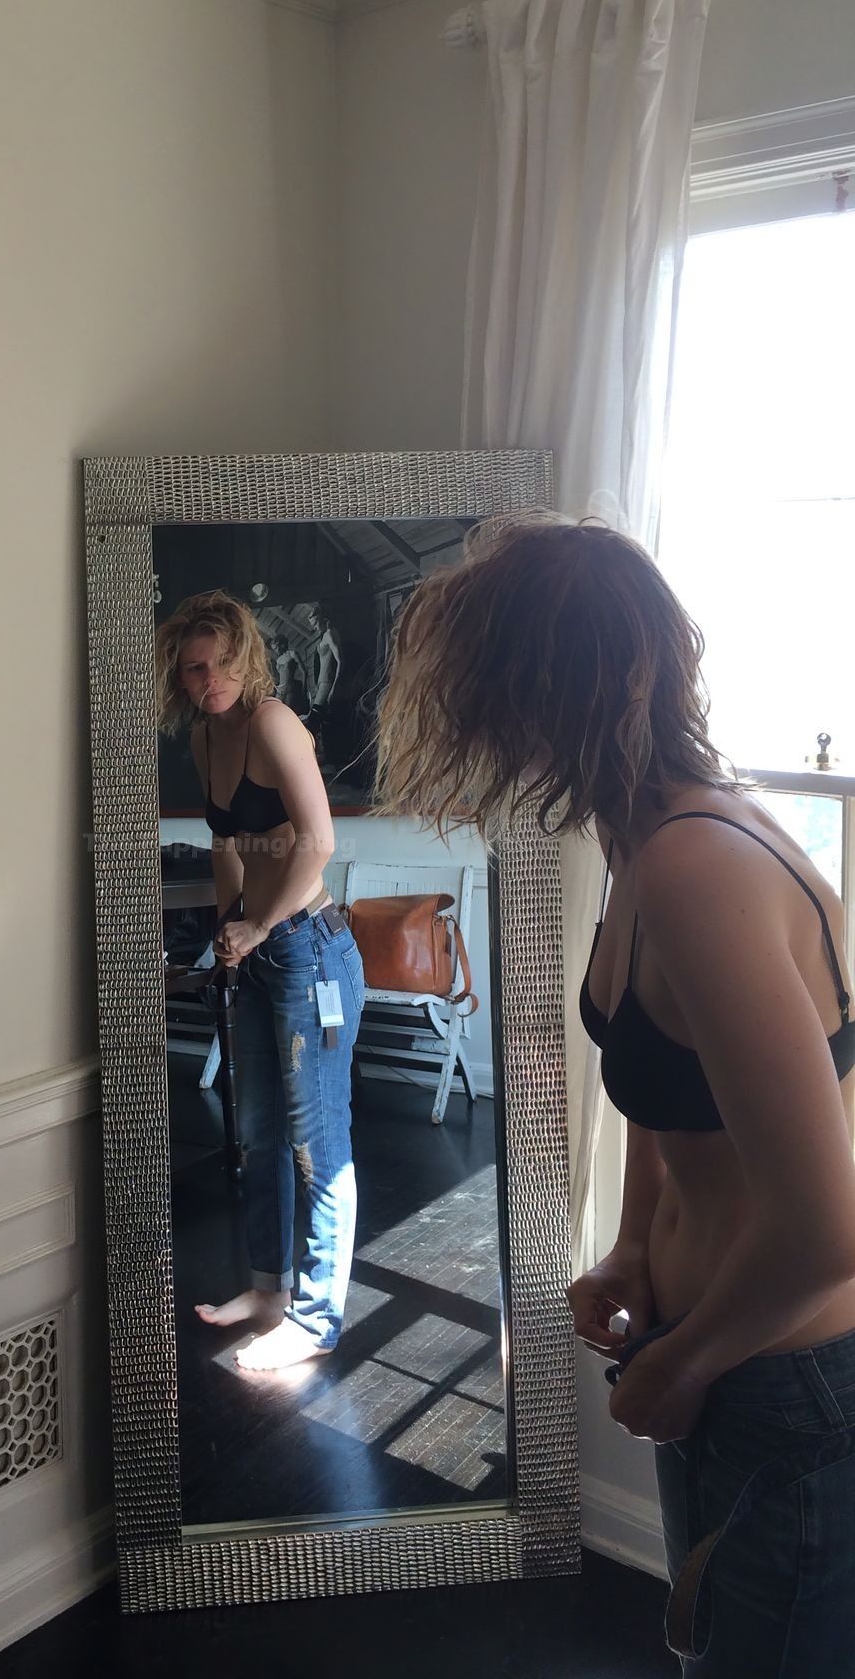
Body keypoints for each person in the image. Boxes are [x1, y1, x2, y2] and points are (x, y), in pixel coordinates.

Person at [375, 513, 855, 1676]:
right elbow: (667, 1081)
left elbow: (828, 1229)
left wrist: (689, 1365)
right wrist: (636, 1248)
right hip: (716, 1347)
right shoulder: (644, 844)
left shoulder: (698, 864)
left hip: (778, 1373)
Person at [155, 588, 366, 1371]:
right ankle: (270, 1291)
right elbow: (226, 844)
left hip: (311, 949)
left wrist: (261, 924)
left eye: (220, 663)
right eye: (193, 669)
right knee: (256, 1134)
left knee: (318, 1143)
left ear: (247, 659)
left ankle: (316, 1320)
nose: (208, 679)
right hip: (260, 951)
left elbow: (317, 841)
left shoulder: (273, 722)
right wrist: (228, 928)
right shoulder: (206, 737)